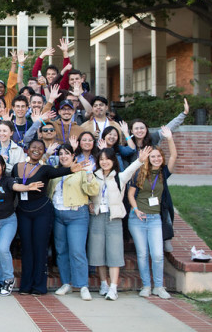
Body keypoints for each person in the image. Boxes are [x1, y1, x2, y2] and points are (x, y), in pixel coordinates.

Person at [10, 140, 82, 295]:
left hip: (42, 212)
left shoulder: (46, 169)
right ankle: (26, 285)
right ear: (27, 150)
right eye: (33, 147)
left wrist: (72, 169)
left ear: (44, 152)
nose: (36, 150)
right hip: (23, 212)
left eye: (40, 149)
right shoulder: (16, 168)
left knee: (39, 248)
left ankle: (39, 286)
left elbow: (60, 172)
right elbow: (12, 186)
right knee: (27, 249)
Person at [88, 146, 151, 301]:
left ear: (113, 161)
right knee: (98, 252)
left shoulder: (119, 177)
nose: (104, 162)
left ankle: (113, 287)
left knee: (114, 253)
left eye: (107, 159)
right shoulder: (92, 176)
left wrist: (140, 160)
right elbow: (87, 191)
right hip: (97, 216)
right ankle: (103, 283)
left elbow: (131, 169)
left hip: (114, 218)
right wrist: (89, 202)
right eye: (101, 159)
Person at [0, 154, 44, 296]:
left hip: (7, 221)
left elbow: (16, 186)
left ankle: (9, 279)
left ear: (3, 166)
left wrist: (28, 187)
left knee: (3, 249)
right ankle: (1, 282)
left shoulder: (7, 180)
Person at [128, 126, 177, 299]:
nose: (156, 159)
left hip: (155, 218)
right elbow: (130, 194)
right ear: (148, 158)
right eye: (153, 156)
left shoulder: (164, 172)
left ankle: (159, 286)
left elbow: (174, 157)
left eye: (158, 156)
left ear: (161, 158)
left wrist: (169, 139)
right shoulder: (140, 172)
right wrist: (135, 209)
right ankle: (146, 286)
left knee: (157, 254)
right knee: (142, 254)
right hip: (138, 218)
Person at [48, 144, 99, 300]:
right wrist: (47, 155)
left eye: (67, 154)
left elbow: (93, 191)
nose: (64, 156)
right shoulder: (55, 172)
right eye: (61, 154)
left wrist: (89, 174)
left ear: (73, 156)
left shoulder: (81, 170)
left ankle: (82, 285)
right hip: (58, 214)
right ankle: (66, 283)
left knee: (77, 250)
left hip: (77, 214)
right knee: (61, 250)